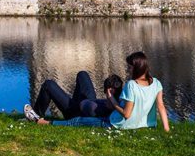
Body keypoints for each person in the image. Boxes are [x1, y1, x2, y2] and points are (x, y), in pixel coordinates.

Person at [27, 51, 170, 132]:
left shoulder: (131, 86)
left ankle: (38, 116)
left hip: (85, 112)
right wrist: (166, 129)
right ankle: (72, 105)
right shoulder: (156, 83)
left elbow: (126, 114)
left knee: (48, 85)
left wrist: (111, 99)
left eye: (130, 68)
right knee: (82, 74)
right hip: (92, 105)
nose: (128, 70)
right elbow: (161, 106)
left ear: (137, 68)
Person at [24, 71, 122, 121]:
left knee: (48, 85)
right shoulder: (120, 101)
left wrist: (109, 96)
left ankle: (36, 115)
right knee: (82, 74)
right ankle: (71, 100)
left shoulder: (108, 108)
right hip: (88, 101)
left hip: (73, 112)